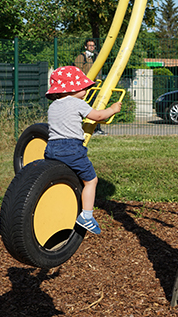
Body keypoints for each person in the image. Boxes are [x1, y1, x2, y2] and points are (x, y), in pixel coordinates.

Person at [44, 66, 122, 234]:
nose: (86, 90)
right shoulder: (77, 103)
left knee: (60, 176)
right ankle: (86, 216)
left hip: (51, 148)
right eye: (84, 87)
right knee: (91, 181)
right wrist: (113, 109)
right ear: (72, 89)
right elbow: (98, 116)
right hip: (72, 148)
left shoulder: (53, 106)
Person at [74, 39, 107, 136]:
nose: (92, 47)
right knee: (86, 108)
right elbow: (78, 71)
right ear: (85, 46)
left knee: (96, 107)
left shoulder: (95, 57)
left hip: (94, 87)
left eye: (93, 45)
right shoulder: (81, 57)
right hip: (85, 88)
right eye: (90, 45)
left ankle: (96, 128)